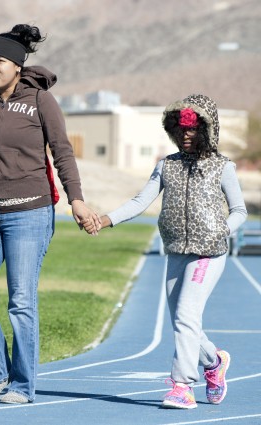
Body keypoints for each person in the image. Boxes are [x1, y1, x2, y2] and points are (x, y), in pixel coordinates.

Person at [0, 24, 101, 404]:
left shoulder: (41, 101)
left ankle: (23, 385)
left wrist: (76, 199)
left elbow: (62, 152)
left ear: (17, 65)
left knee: (21, 301)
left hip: (30, 213)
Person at [84, 94, 248, 409]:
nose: (185, 136)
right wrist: (105, 220)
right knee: (183, 320)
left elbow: (239, 210)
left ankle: (181, 386)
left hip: (209, 252)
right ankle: (213, 363)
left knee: (186, 313)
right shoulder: (166, 166)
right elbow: (139, 201)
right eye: (180, 130)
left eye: (192, 130)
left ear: (207, 130)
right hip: (176, 251)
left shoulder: (222, 167)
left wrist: (223, 229)